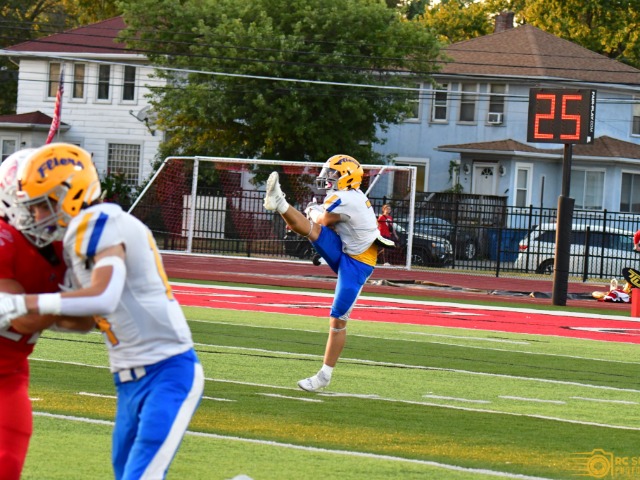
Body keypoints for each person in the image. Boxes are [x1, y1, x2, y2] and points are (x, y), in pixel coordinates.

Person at [0, 143, 204, 479]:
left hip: (166, 369)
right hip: (127, 376)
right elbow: (85, 320)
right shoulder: (78, 235)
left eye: (40, 205)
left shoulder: (100, 221)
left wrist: (23, 304)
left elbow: (104, 298)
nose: (34, 216)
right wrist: (27, 312)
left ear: (69, 195)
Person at [0, 149, 94, 480]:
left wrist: (77, 299)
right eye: (38, 204)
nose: (45, 214)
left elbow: (84, 321)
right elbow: (22, 318)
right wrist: (73, 297)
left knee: (6, 466)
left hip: (9, 375)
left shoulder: (66, 246)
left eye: (51, 203)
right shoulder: (5, 237)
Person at [263, 154, 394, 392]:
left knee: (338, 320)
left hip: (358, 263)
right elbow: (327, 221)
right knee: (311, 230)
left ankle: (324, 376)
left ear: (347, 177)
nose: (327, 177)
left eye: (333, 173)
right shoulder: (348, 196)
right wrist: (310, 214)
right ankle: (279, 201)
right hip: (346, 249)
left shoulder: (345, 197)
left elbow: (323, 218)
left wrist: (311, 211)